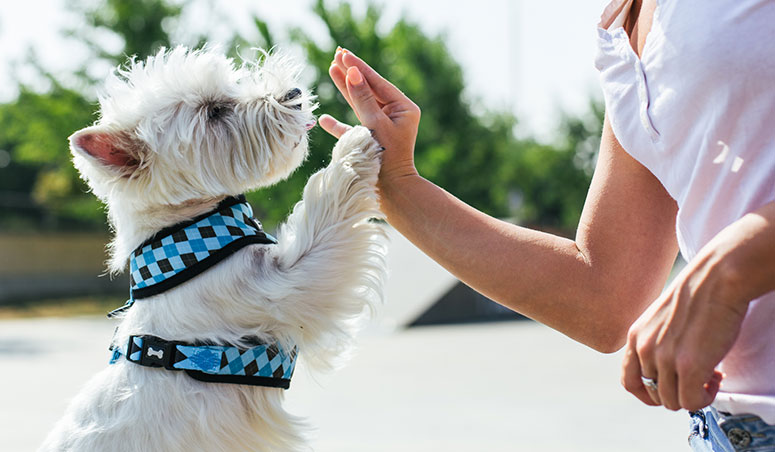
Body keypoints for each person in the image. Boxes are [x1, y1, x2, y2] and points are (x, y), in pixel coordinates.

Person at [319, 0, 775, 450]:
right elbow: (603, 297)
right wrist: (399, 188)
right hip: (724, 433)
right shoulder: (624, 26)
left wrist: (727, 270)